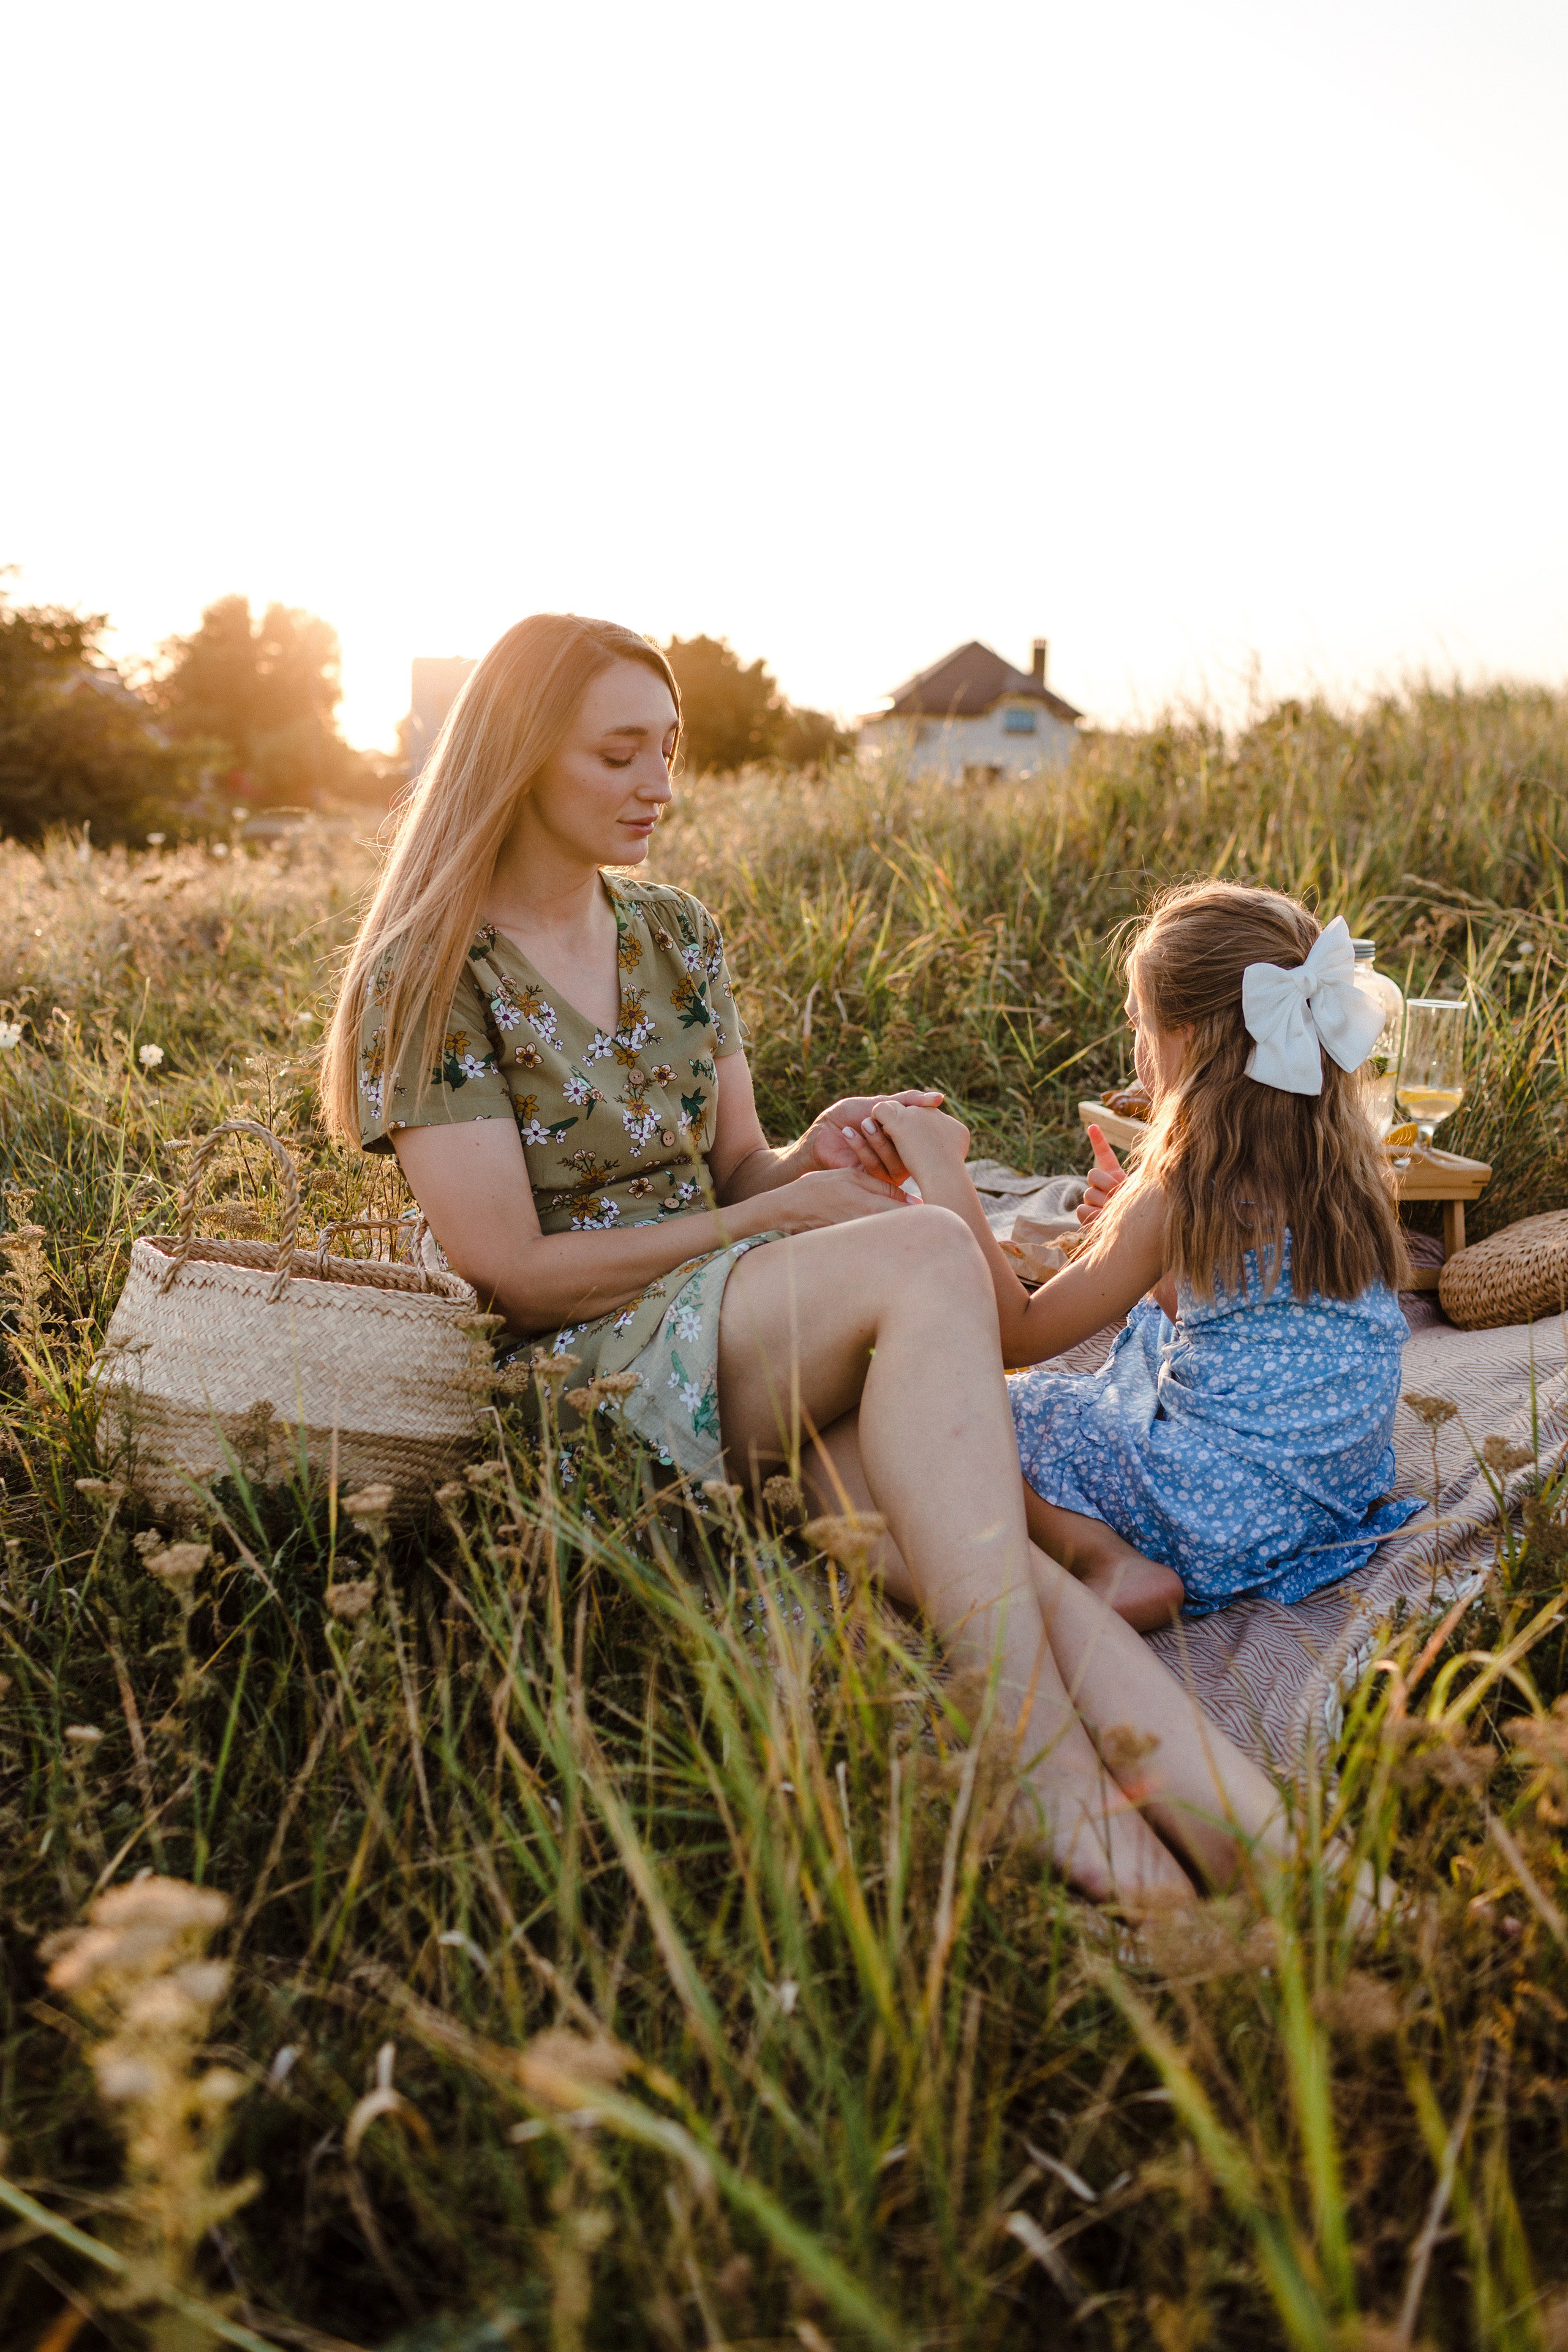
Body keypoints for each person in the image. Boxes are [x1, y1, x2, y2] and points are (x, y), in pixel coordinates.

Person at [320, 616, 1305, 1907]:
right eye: (619, 754)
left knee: (990, 1560)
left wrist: (804, 1162)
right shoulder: (431, 972)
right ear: (516, 758)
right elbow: (513, 1270)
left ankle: (1276, 1868)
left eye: (666, 750)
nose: (657, 786)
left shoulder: (674, 934)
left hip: (737, 1329)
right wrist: (772, 1225)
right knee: (917, 1260)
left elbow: (737, 1167)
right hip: (584, 1373)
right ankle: (1041, 1775)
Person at [857, 884, 1423, 1632]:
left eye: (1139, 1024)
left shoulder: (1182, 1189)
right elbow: (1238, 1320)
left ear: (1185, 1038)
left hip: (1208, 1517)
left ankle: (1104, 1558)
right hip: (1322, 1503)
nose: (1135, 1045)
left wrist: (943, 1174)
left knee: (986, 1405)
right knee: (1151, 1341)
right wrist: (1146, 1253)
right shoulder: (1346, 1164)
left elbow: (1019, 1333)